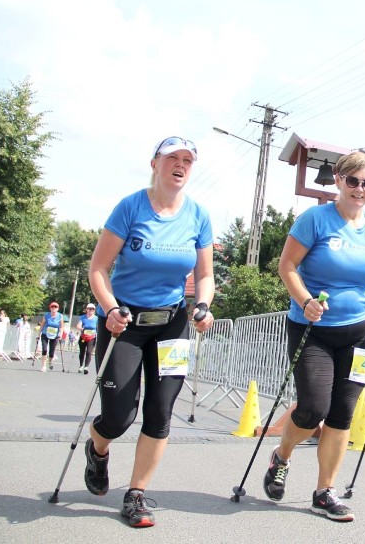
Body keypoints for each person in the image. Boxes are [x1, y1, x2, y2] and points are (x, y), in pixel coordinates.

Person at [265, 151, 365, 523]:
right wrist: (304, 301)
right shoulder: (315, 220)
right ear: (338, 180)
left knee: (342, 415)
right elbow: (287, 266)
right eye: (354, 181)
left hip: (357, 335)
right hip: (313, 330)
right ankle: (282, 455)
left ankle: (324, 492)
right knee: (313, 408)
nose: (360, 189)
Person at [85, 135, 215, 528]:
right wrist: (109, 309)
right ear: (155, 163)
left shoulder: (198, 215)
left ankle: (136, 494)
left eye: (187, 160)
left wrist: (204, 306)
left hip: (172, 324)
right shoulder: (130, 207)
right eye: (172, 158)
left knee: (160, 412)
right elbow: (98, 269)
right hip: (123, 322)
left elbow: (205, 274)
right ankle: (98, 448)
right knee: (119, 417)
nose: (180, 165)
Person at [39, 302, 63, 372]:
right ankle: (43, 366)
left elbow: (61, 327)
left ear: (58, 309)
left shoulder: (60, 316)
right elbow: (42, 325)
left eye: (55, 307)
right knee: (44, 349)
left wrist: (60, 335)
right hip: (45, 333)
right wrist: (38, 334)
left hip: (55, 335)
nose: (54, 308)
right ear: (50, 308)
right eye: (52, 307)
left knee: (51, 352)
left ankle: (50, 362)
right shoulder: (46, 315)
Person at [76, 303, 99, 374]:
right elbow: (78, 325)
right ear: (86, 309)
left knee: (89, 352)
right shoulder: (83, 317)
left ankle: (86, 367)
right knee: (82, 352)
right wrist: (81, 328)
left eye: (93, 309)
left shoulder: (96, 318)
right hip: (83, 337)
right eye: (90, 309)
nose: (91, 310)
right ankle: (80, 366)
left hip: (92, 337)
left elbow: (98, 328)